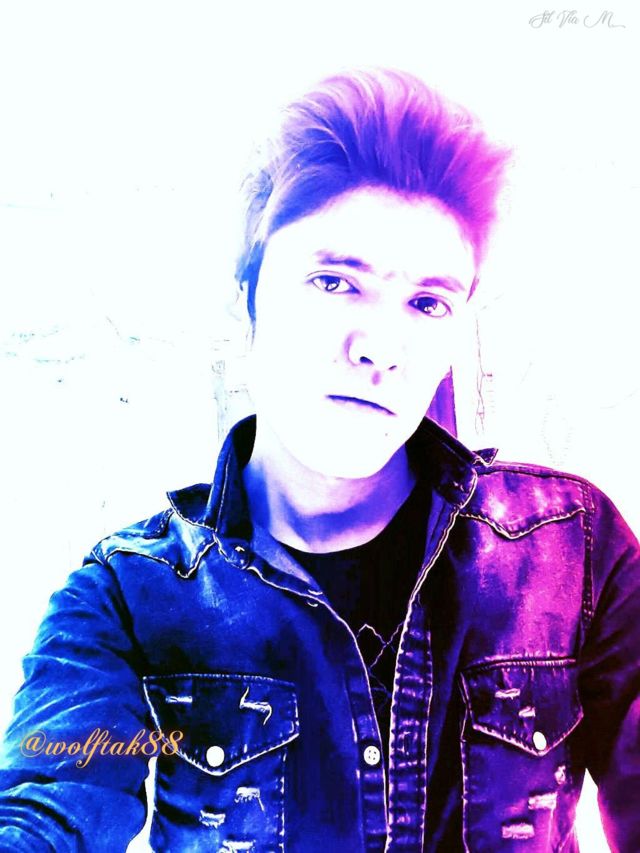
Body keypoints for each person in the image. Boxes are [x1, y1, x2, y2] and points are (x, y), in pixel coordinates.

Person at [0, 67, 638, 853]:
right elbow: (46, 809)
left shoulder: (570, 550)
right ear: (245, 303)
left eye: (428, 302)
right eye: (335, 282)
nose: (381, 347)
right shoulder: (131, 595)